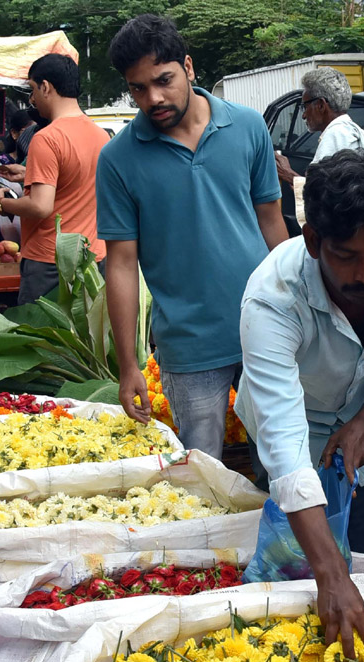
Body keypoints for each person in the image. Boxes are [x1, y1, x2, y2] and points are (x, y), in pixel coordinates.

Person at [235, 149, 364, 656]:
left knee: (360, 538)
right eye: (346, 256)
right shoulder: (271, 298)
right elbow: (283, 441)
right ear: (313, 241)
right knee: (292, 560)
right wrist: (330, 574)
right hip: (295, 420)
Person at [99, 15, 288, 458]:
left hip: (265, 327)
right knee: (201, 471)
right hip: (188, 345)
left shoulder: (247, 126)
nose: (154, 97)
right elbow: (122, 264)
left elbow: (272, 222)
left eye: (163, 80)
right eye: (138, 88)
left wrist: (302, 309)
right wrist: (128, 366)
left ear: (188, 66)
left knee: (282, 462)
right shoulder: (118, 158)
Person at [0, 54, 109, 304]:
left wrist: (2, 204)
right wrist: (27, 174)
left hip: (50, 263)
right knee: (84, 341)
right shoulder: (101, 136)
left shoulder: (47, 138)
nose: (32, 99)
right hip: (93, 259)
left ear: (46, 87)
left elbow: (40, 206)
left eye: (33, 90)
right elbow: (79, 180)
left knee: (43, 340)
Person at [275, 67, 364, 183]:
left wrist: (288, 174)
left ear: (321, 105)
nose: (304, 115)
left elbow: (324, 195)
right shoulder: (358, 133)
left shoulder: (336, 135)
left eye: (305, 107)